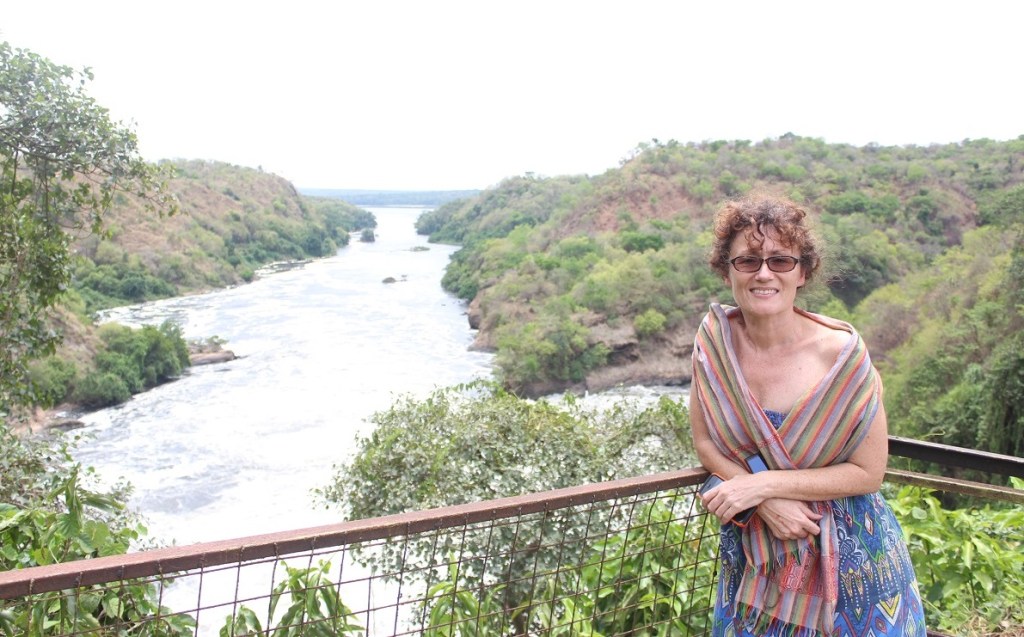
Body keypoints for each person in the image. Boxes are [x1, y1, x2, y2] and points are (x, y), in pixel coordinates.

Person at [690, 194, 926, 637]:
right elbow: (705, 443)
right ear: (727, 271)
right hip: (756, 560)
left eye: (780, 260)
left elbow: (868, 472)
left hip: (854, 562)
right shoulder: (714, 345)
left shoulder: (841, 356)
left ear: (802, 272)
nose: (764, 273)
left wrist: (762, 486)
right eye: (748, 261)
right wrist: (765, 501)